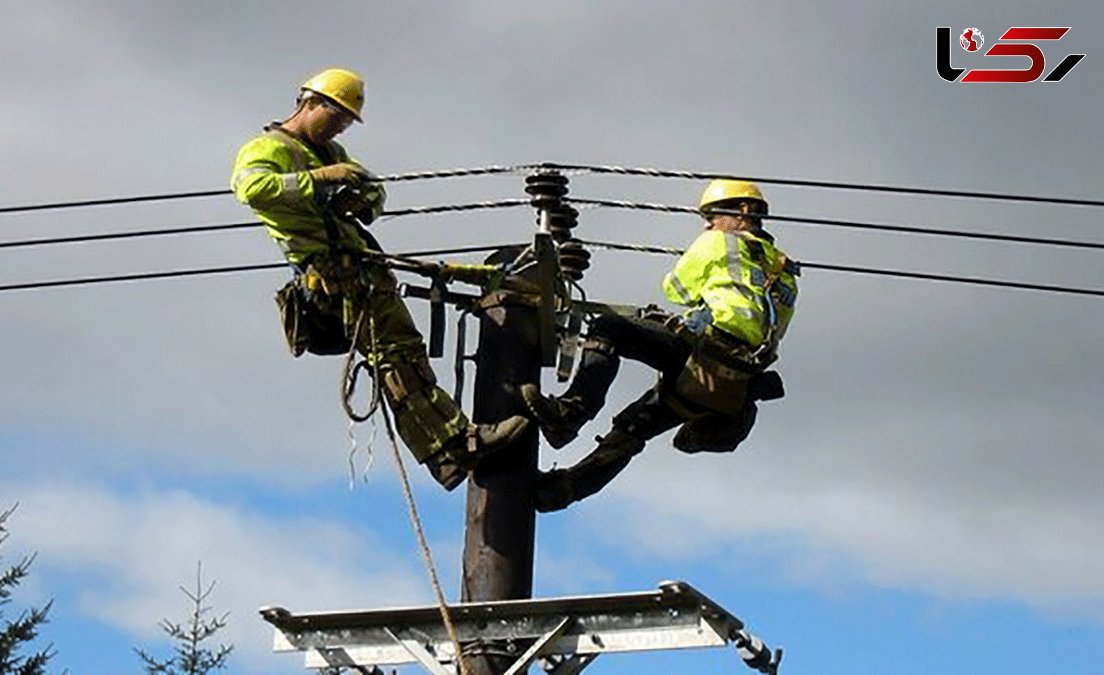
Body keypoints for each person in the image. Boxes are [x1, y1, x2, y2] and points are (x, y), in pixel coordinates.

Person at [230, 68, 528, 490]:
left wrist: (362, 198)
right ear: (310, 103)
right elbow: (252, 190)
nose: (340, 126)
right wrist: (320, 180)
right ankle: (454, 445)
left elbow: (374, 189)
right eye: (336, 116)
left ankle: (449, 451)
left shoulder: (334, 153)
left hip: (363, 272)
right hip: (330, 279)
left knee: (404, 355)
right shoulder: (268, 148)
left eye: (347, 121)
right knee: (396, 357)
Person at [519, 179, 800, 511]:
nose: (708, 223)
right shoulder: (785, 273)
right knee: (631, 429)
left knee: (609, 328)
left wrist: (706, 279)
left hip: (706, 352)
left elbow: (676, 290)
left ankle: (571, 414)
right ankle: (563, 491)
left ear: (742, 211)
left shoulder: (718, 242)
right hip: (731, 383)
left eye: (712, 215)